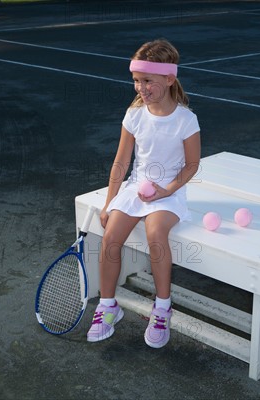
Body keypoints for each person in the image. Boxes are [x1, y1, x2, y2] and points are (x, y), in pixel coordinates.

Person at [86, 39, 201, 348]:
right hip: (136, 188)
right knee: (110, 236)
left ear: (169, 79)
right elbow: (121, 161)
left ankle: (162, 307)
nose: (140, 87)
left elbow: (192, 165)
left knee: (155, 234)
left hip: (170, 192)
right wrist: (109, 204)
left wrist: (168, 190)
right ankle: (108, 305)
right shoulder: (135, 114)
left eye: (147, 80)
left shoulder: (186, 120)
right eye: (136, 80)